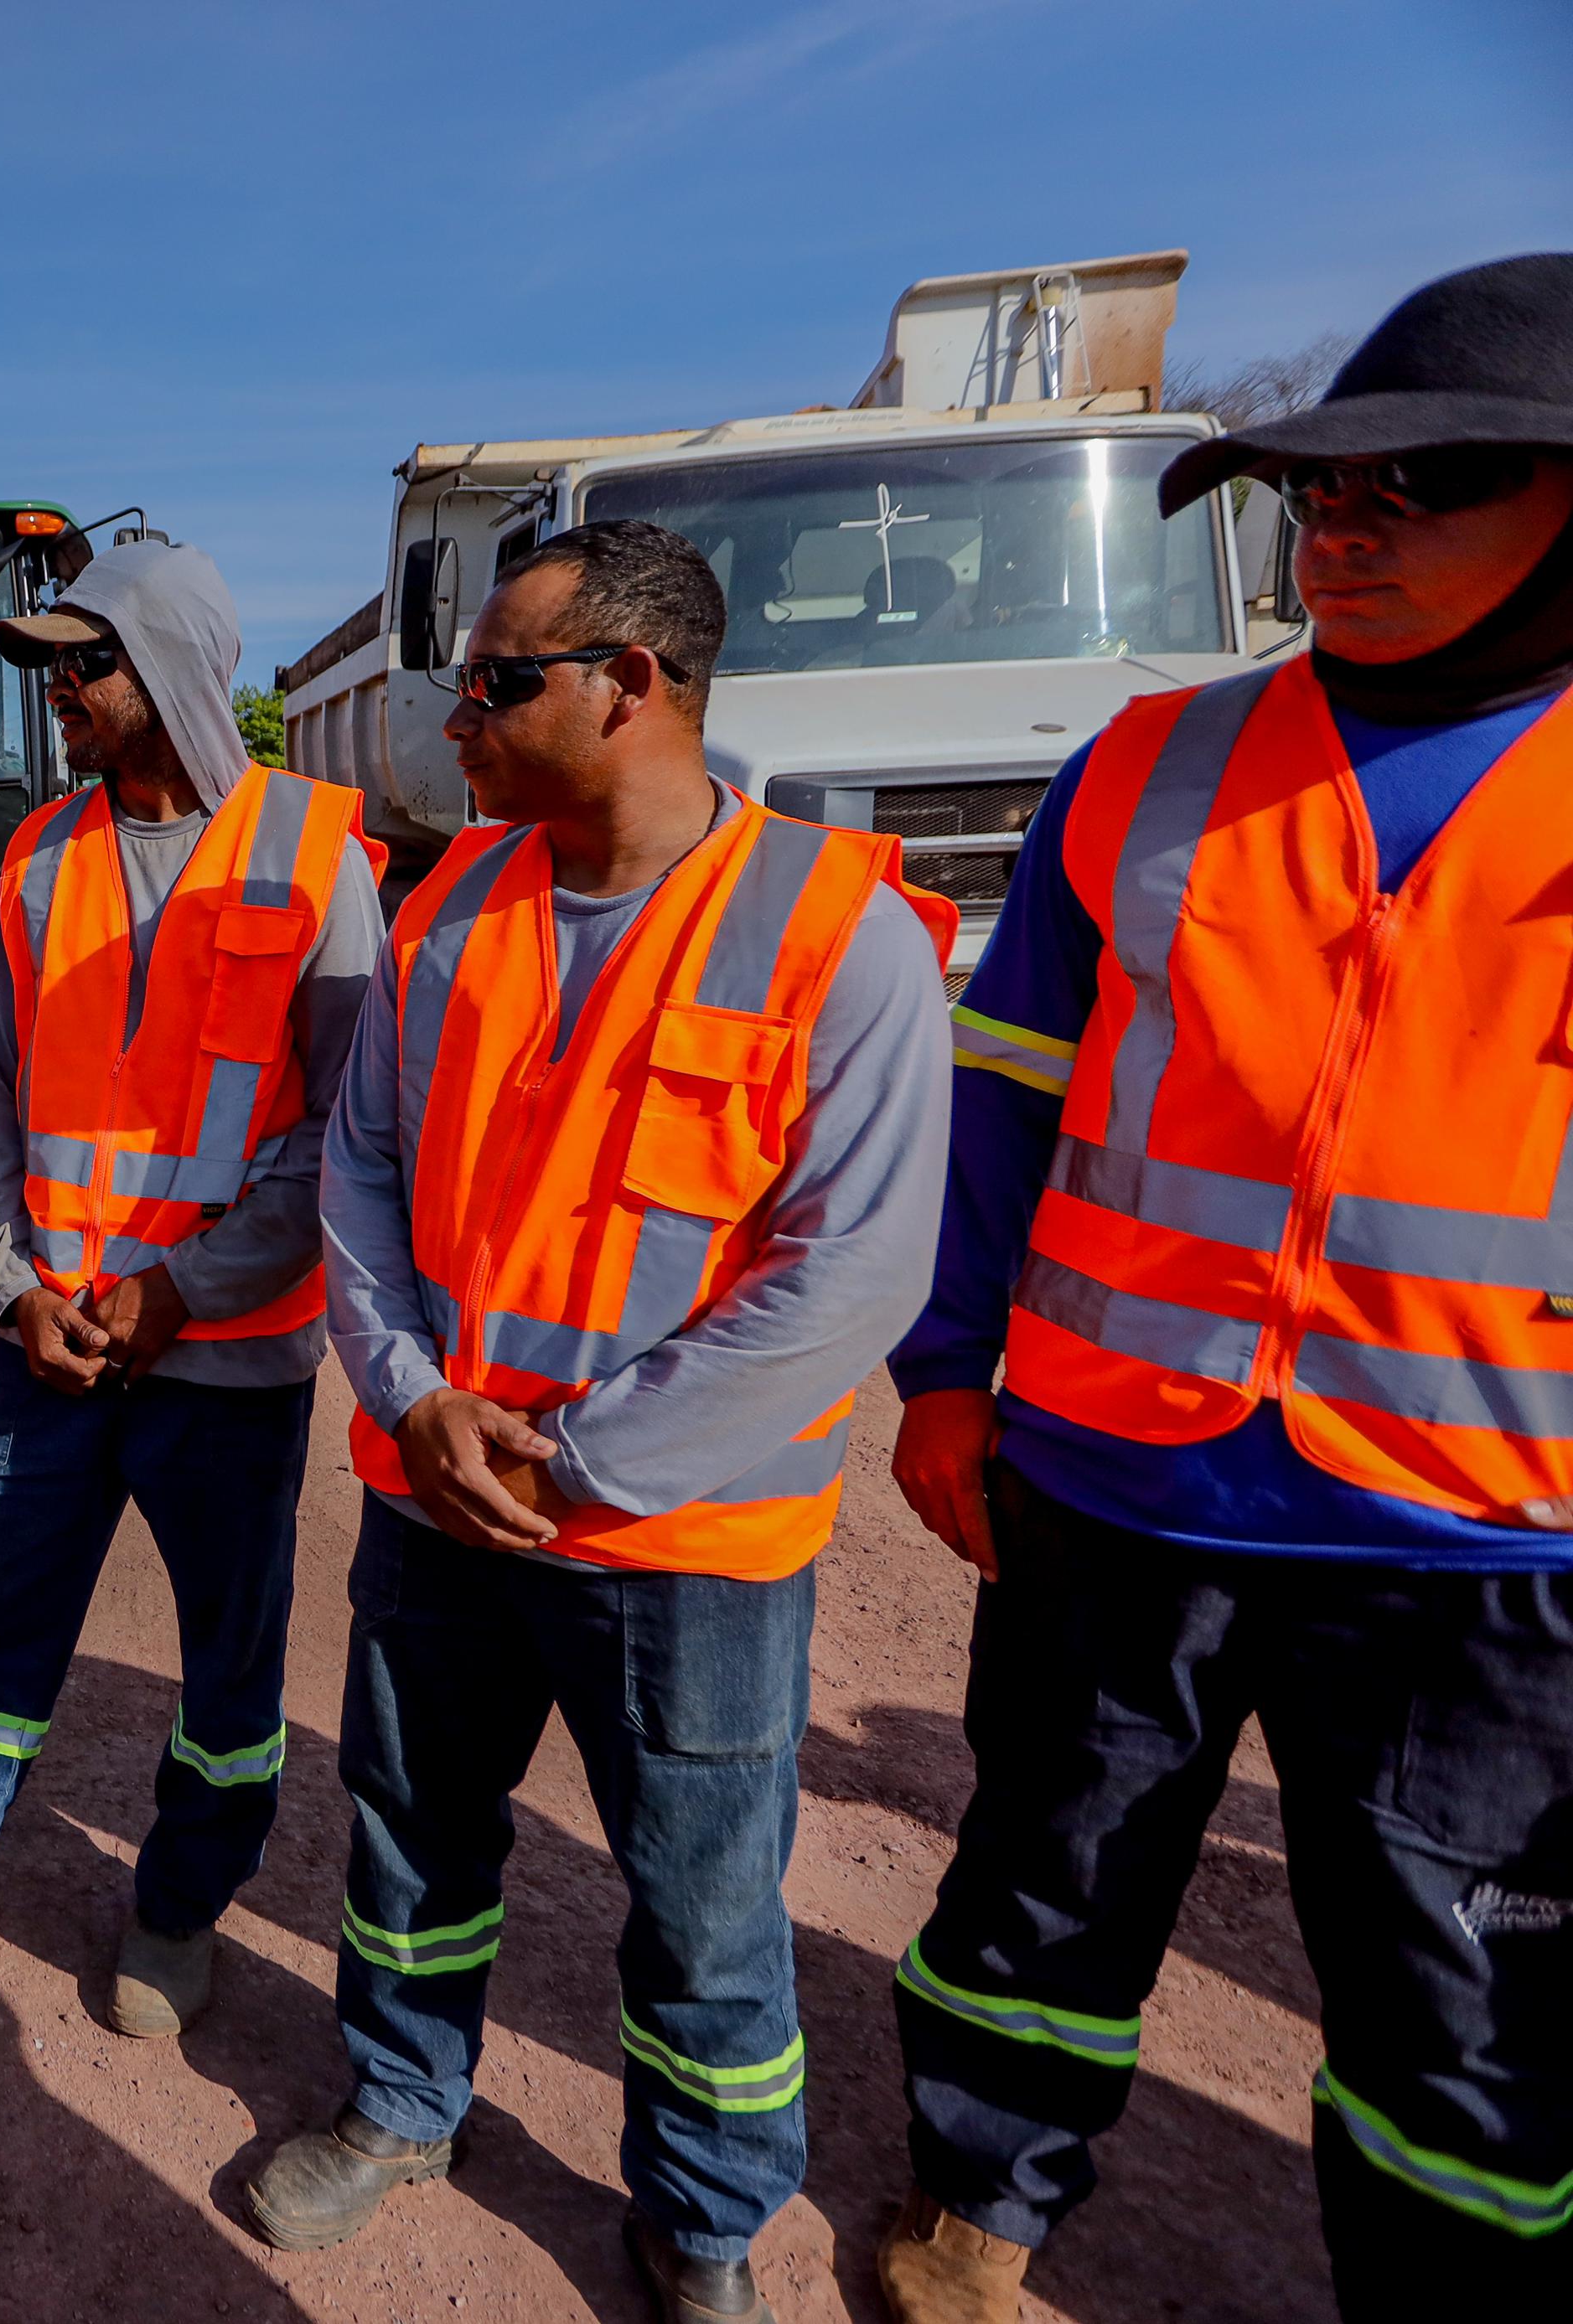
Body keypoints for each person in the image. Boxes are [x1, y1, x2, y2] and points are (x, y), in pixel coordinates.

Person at [879, 255, 1573, 2321]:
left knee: (1463, 1988)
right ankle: (975, 2202)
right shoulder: (1154, 764)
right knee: (1045, 1881)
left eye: (1417, 486)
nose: (1338, 531)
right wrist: (940, 1372)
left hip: (1488, 1540)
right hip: (1120, 1481)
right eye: (1313, 492)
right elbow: (1001, 1098)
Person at [256, 521, 953, 2321]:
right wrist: (413, 1401)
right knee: (412, 1831)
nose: (456, 718)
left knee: (704, 1902)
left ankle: (704, 2213)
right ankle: (406, 2098)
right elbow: (364, 1175)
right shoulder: (449, 909)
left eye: (492, 682)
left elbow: (850, 1272)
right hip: (436, 1499)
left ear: (626, 687)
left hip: (682, 1540)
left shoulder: (835, 932)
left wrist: (584, 1462)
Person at [0, 539, 382, 2042]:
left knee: (229, 1667)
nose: (59, 691)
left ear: (169, 670)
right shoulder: (33, 858)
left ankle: (178, 1911)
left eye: (85, 664)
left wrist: (185, 1286)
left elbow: (342, 1133)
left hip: (227, 1358)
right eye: (50, 665)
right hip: (46, 1352)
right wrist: (11, 1283)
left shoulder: (319, 859)